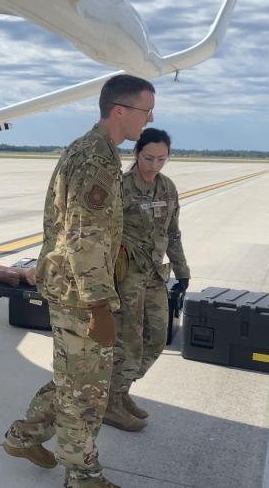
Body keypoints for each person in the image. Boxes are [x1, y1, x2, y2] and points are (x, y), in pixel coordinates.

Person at [2, 74, 155, 488]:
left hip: (71, 287)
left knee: (75, 377)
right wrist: (99, 306)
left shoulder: (92, 150)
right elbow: (83, 237)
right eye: (146, 110)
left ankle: (23, 436)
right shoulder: (97, 160)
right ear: (120, 111)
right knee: (86, 391)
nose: (151, 118)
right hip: (80, 294)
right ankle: (83, 475)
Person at [103, 128, 189, 432]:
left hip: (154, 275)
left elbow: (173, 232)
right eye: (149, 157)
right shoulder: (122, 187)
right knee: (129, 342)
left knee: (156, 339)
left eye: (161, 159)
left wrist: (183, 271)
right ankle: (111, 402)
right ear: (137, 153)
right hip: (126, 277)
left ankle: (119, 391)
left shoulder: (167, 188)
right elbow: (104, 234)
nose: (154, 164)